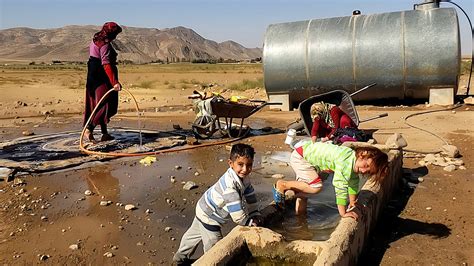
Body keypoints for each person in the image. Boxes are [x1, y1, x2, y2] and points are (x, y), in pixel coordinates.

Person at [173, 143, 262, 265]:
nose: (245, 169)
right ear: (230, 163)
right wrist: (249, 222)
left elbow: (250, 195)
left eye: (249, 165)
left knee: (192, 237)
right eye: (240, 165)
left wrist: (254, 212)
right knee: (215, 249)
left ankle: (179, 259)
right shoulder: (230, 186)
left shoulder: (243, 177)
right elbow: (237, 216)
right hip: (210, 217)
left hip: (203, 209)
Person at [272, 141, 388, 219]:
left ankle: (301, 220)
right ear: (362, 154)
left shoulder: (353, 161)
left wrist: (353, 202)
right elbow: (340, 187)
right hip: (301, 157)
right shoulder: (345, 163)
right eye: (366, 166)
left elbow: (353, 183)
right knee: (316, 187)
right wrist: (343, 213)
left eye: (367, 172)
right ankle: (283, 185)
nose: (363, 171)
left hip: (306, 156)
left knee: (305, 195)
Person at [83, 22, 123, 143]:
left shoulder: (96, 39)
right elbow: (106, 64)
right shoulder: (104, 44)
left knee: (99, 103)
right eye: (115, 34)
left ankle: (105, 134)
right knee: (104, 104)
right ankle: (89, 129)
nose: (115, 37)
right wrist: (114, 82)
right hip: (101, 76)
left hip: (93, 75)